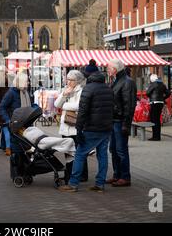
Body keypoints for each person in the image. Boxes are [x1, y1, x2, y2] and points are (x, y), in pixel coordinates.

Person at [58, 65, 114, 193]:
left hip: (92, 128)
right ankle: (100, 184)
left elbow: (82, 111)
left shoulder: (88, 89)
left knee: (79, 154)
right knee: (102, 155)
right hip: (106, 128)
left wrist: (79, 129)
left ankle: (73, 184)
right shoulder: (108, 89)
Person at [106, 59, 136, 187]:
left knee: (121, 150)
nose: (107, 70)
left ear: (114, 69)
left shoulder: (127, 82)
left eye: (108, 68)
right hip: (114, 120)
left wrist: (126, 124)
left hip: (120, 121)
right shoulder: (116, 81)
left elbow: (129, 105)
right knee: (113, 149)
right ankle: (117, 174)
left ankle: (125, 176)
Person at [54, 70, 88, 184]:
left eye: (71, 80)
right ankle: (69, 174)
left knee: (77, 152)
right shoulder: (65, 90)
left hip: (75, 126)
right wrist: (64, 95)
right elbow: (56, 104)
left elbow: (79, 106)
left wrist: (65, 106)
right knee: (68, 151)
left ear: (77, 80)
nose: (68, 82)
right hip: (65, 126)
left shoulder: (81, 90)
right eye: (67, 79)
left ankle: (80, 175)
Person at [0, 70, 32, 154]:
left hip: (26, 125)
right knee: (17, 151)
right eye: (26, 81)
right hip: (15, 126)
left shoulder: (25, 92)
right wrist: (8, 120)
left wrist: (36, 108)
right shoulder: (11, 93)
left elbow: (30, 105)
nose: (28, 83)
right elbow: (2, 107)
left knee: (25, 149)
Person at [146, 74, 171, 141]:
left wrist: (151, 96)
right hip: (160, 103)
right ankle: (158, 136)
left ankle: (155, 136)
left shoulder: (153, 84)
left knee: (153, 119)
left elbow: (147, 93)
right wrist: (163, 98)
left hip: (154, 103)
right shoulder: (162, 84)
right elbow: (168, 93)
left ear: (152, 79)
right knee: (157, 120)